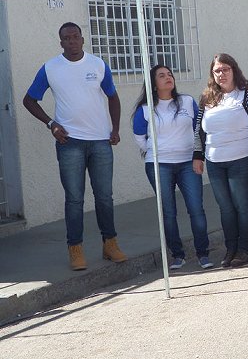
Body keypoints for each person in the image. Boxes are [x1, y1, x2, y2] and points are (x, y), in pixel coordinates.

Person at [23, 22, 127, 271]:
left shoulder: (98, 64)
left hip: (100, 141)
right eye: (66, 38)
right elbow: (29, 100)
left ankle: (110, 244)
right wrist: (51, 124)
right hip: (69, 143)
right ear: (61, 43)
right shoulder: (50, 68)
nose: (72, 41)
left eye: (75, 36)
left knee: (104, 196)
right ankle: (75, 248)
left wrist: (115, 129)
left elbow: (113, 97)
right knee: (74, 199)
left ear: (82, 39)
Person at [133, 64, 213, 270]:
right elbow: (140, 138)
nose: (168, 77)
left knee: (196, 208)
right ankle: (178, 255)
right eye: (162, 75)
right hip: (159, 165)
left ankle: (203, 254)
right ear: (153, 84)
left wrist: (198, 156)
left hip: (188, 162)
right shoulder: (145, 109)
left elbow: (199, 129)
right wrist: (158, 151)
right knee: (168, 212)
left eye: (170, 74)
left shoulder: (187, 101)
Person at [193, 53, 248, 268]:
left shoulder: (247, 94)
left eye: (225, 69)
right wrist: (198, 156)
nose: (221, 74)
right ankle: (231, 248)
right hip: (215, 162)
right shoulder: (206, 98)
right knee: (226, 208)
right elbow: (198, 129)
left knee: (242, 206)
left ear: (234, 70)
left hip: (242, 160)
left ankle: (244, 249)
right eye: (217, 71)